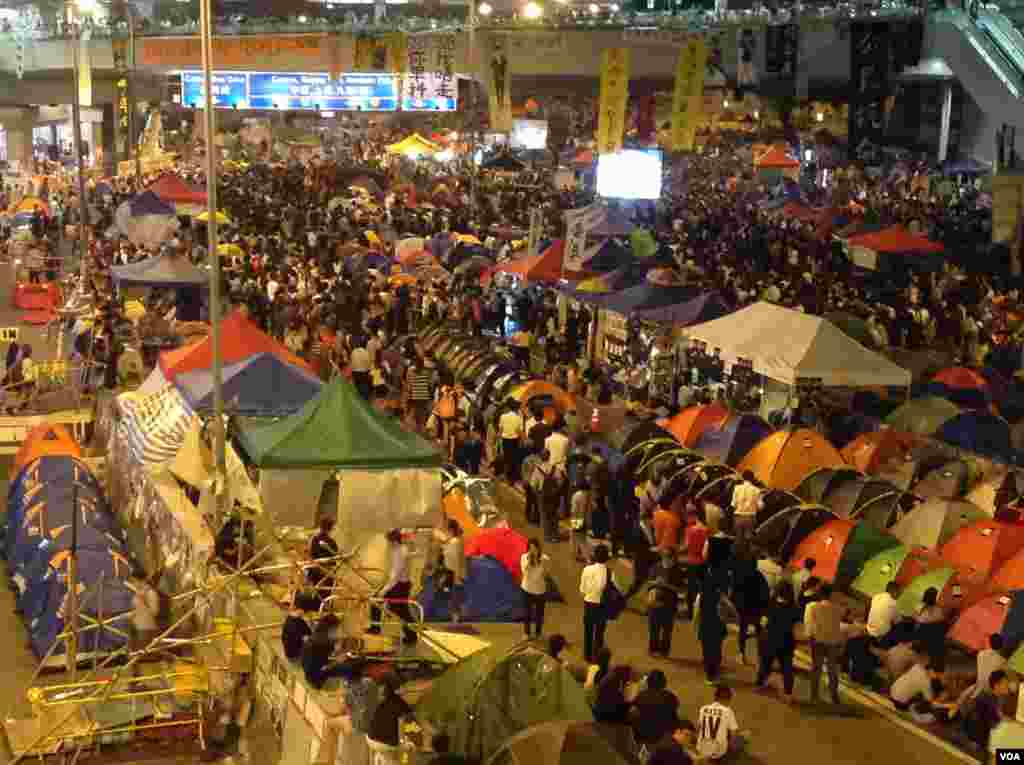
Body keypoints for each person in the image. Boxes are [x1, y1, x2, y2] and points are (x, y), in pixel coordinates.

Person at [368, 529, 417, 644]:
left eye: (388, 541)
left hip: (400, 585)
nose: (387, 544)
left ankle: (412, 635)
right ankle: (375, 628)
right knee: (376, 602)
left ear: (393, 541)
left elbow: (395, 575)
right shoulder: (399, 550)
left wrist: (384, 590)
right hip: (398, 584)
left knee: (401, 611)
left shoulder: (400, 552)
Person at [755, 582, 800, 703]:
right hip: (786, 641)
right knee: (787, 668)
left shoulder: (770, 604)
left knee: (765, 663)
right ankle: (788, 693)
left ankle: (760, 684)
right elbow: (796, 626)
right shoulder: (795, 608)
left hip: (769, 639)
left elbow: (763, 623)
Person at [806, 584, 844, 705]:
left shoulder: (811, 607)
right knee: (832, 669)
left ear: (819, 594)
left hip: (818, 641)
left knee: (816, 668)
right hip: (833, 642)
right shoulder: (838, 609)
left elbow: (809, 626)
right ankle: (834, 695)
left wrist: (810, 639)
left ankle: (814, 695)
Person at [630, 670, 680, 757]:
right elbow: (674, 711)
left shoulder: (641, 696)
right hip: (663, 735)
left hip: (643, 734)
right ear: (664, 683)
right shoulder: (670, 696)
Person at [959, 670, 1012, 752]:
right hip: (977, 744)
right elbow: (993, 725)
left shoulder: (990, 697)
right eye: (1005, 684)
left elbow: (996, 716)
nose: (1007, 686)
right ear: (996, 685)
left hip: (976, 739)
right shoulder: (987, 700)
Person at [366, 673, 413, 765]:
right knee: (410, 746)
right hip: (387, 744)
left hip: (370, 739)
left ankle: (380, 758)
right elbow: (409, 721)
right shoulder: (398, 702)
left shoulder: (374, 699)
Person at [647, 547, 685, 657]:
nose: (667, 560)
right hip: (654, 604)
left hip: (669, 605)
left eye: (669, 558)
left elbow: (681, 590)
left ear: (674, 559)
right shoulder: (656, 567)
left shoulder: (678, 571)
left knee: (667, 630)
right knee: (653, 628)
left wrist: (666, 585)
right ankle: (653, 649)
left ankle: (664, 651)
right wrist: (655, 583)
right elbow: (649, 582)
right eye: (665, 557)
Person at [580, 544, 611, 663]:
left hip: (589, 603)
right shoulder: (609, 572)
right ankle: (598, 655)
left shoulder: (587, 570)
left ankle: (587, 655)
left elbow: (582, 590)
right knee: (599, 632)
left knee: (588, 630)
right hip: (602, 605)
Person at [697, 685, 741, 761]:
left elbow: (699, 727)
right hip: (718, 753)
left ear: (715, 697)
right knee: (744, 735)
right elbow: (734, 733)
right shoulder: (728, 711)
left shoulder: (703, 708)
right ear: (729, 699)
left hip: (701, 748)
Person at [129, 574, 161, 678]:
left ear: (141, 581)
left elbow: (154, 612)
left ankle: (150, 680)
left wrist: (144, 599)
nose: (133, 584)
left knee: (145, 658)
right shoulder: (135, 594)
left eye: (134, 581)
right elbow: (134, 609)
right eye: (132, 581)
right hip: (135, 627)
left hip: (146, 628)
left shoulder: (151, 593)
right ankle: (138, 679)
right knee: (134, 657)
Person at [521, 539, 548, 639]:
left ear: (538, 548)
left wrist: (539, 561)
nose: (532, 550)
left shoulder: (544, 558)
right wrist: (529, 560)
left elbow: (545, 575)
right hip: (527, 589)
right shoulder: (524, 557)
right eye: (530, 548)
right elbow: (524, 572)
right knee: (527, 613)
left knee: (539, 614)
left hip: (540, 590)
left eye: (534, 548)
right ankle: (526, 633)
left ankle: (538, 633)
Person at [308, 517, 340, 598]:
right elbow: (335, 557)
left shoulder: (314, 539)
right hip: (325, 572)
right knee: (325, 591)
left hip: (315, 571)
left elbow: (311, 555)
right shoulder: (331, 541)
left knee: (318, 592)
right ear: (331, 528)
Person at [442, 520, 466, 621]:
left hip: (454, 573)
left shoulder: (455, 542)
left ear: (450, 530)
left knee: (454, 599)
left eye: (445, 530)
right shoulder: (454, 541)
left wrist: (456, 576)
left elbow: (456, 560)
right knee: (454, 598)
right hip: (452, 573)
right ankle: (456, 619)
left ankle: (456, 620)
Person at [498, 398, 525, 483]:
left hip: (505, 440)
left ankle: (506, 476)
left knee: (506, 459)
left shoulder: (503, 416)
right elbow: (519, 431)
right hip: (515, 441)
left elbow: (500, 430)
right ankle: (512, 478)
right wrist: (523, 439)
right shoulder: (518, 418)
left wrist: (498, 440)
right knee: (514, 459)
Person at [866, 581, 901, 646]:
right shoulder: (893, 603)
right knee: (899, 628)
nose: (900, 595)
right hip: (880, 633)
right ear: (894, 591)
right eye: (899, 592)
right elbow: (897, 621)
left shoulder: (876, 596)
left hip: (868, 626)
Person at [729, 471, 762, 540]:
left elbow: (733, 504)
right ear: (752, 478)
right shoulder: (757, 490)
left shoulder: (736, 488)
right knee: (748, 539)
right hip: (750, 518)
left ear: (743, 478)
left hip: (738, 517)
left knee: (738, 539)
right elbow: (760, 506)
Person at [570, 480, 593, 562]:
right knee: (582, 539)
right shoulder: (589, 495)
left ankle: (586, 557)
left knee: (577, 539)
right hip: (585, 520)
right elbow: (590, 509)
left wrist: (572, 521)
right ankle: (579, 555)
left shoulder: (576, 495)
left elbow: (574, 510)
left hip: (577, 519)